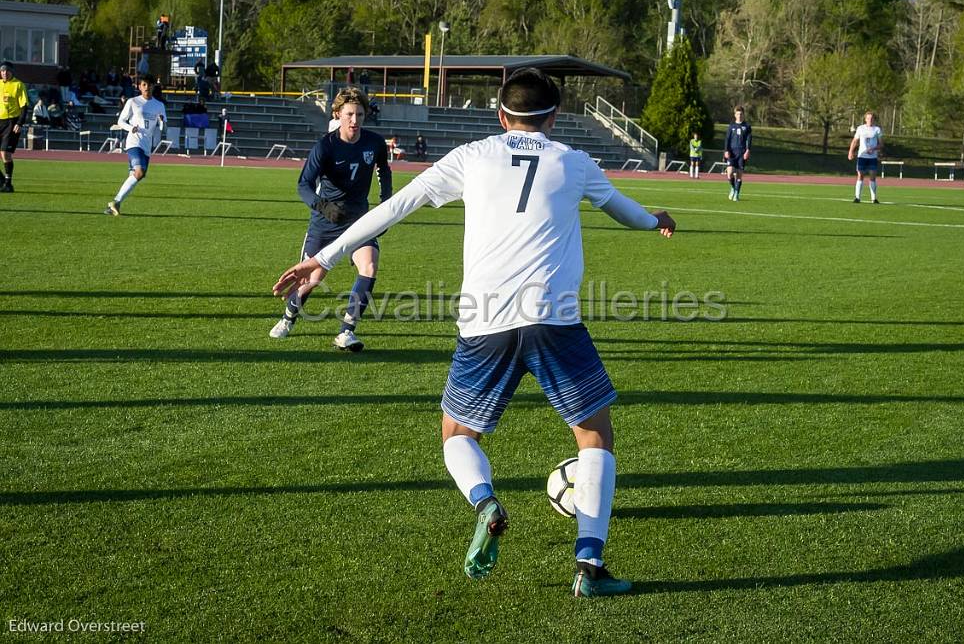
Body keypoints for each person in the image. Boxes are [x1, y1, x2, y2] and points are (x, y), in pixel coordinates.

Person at [272, 68, 676, 597]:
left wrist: (320, 257)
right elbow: (626, 213)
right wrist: (655, 219)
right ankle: (589, 566)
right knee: (594, 435)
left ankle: (486, 502)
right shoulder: (574, 162)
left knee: (458, 436)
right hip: (554, 320)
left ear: (500, 114)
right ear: (553, 118)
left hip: (484, 322)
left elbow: (394, 207)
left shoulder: (472, 155)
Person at [268, 86, 393, 351]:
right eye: (349, 114)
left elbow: (384, 169)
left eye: (360, 114)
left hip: (359, 221)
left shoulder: (374, 143)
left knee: (369, 267)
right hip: (325, 223)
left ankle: (347, 331)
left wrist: (385, 203)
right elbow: (303, 185)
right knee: (312, 280)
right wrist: (324, 207)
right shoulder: (325, 146)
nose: (355, 120)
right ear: (337, 114)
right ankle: (289, 317)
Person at [103, 73, 167, 216]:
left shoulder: (159, 105)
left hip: (146, 145)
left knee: (137, 175)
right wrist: (130, 128)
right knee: (139, 172)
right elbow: (121, 121)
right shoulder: (133, 101)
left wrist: (162, 122)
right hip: (134, 142)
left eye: (149, 85)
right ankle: (115, 202)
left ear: (153, 87)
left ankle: (115, 205)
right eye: (144, 85)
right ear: (139, 86)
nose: (147, 88)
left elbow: (163, 128)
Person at [0, 61, 30, 192]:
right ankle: (1, 181)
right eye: (2, 71)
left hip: (11, 122)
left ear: (12, 72)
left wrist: (19, 123)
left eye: (7, 71)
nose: (4, 73)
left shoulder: (19, 85)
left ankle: (8, 184)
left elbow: (24, 107)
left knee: (5, 153)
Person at [848, 110, 883, 204]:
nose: (870, 120)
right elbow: (855, 141)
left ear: (874, 119)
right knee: (860, 175)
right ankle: (857, 197)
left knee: (872, 176)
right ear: (865, 119)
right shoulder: (860, 128)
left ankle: (874, 198)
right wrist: (850, 152)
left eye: (871, 118)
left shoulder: (877, 129)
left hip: (872, 157)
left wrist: (874, 149)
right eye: (868, 118)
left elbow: (881, 144)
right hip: (862, 156)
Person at [724, 106, 751, 200]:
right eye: (738, 114)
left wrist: (748, 150)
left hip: (741, 152)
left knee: (739, 174)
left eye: (741, 114)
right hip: (732, 152)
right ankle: (732, 187)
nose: (739, 116)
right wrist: (726, 150)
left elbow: (749, 139)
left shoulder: (747, 126)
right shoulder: (731, 126)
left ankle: (736, 193)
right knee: (730, 173)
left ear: (743, 115)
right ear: (735, 115)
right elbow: (727, 139)